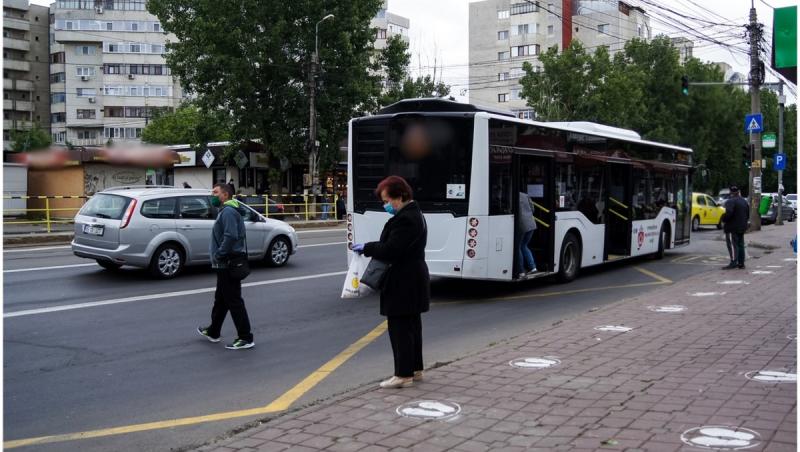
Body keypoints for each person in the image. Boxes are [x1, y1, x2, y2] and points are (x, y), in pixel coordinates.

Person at [352, 176, 429, 389]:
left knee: (400, 328)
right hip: (412, 277)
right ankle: (415, 369)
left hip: (403, 280)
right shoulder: (415, 214)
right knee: (412, 326)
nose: (385, 205)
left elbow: (392, 249)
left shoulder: (406, 219)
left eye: (387, 200)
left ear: (400, 196)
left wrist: (367, 248)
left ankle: (403, 375)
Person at [197, 183, 254, 349]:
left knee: (234, 300)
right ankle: (214, 331)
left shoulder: (228, 211)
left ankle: (246, 337)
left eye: (215, 192)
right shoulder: (227, 210)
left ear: (225, 195)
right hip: (224, 263)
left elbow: (230, 236)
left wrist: (219, 254)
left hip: (227, 262)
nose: (212, 195)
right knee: (221, 299)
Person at [721, 185, 749, 270]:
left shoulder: (730, 201)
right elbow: (747, 213)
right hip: (742, 226)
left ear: (730, 192)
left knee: (732, 245)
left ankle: (733, 262)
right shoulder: (744, 201)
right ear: (738, 192)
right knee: (740, 245)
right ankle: (741, 263)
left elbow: (728, 213)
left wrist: (723, 219)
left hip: (731, 227)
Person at [516, 192, 537, 277]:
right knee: (524, 246)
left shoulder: (511, 195)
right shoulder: (525, 195)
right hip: (531, 224)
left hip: (522, 225)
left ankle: (521, 271)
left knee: (518, 247)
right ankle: (533, 268)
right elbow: (533, 209)